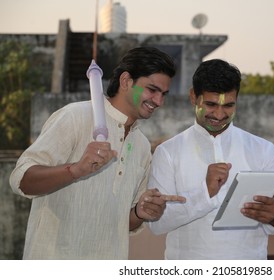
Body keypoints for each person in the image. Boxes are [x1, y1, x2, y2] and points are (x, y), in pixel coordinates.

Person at [9, 47, 185, 259]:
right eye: (152, 90)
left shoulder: (141, 146)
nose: (159, 101)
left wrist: (140, 212)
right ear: (126, 81)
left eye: (163, 94)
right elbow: (20, 179)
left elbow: (124, 223)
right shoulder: (75, 117)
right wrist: (74, 170)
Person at [147, 59, 274, 259]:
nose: (219, 114)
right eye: (211, 104)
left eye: (228, 105)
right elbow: (156, 223)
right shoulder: (168, 152)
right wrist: (204, 194)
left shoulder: (263, 150)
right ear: (194, 96)